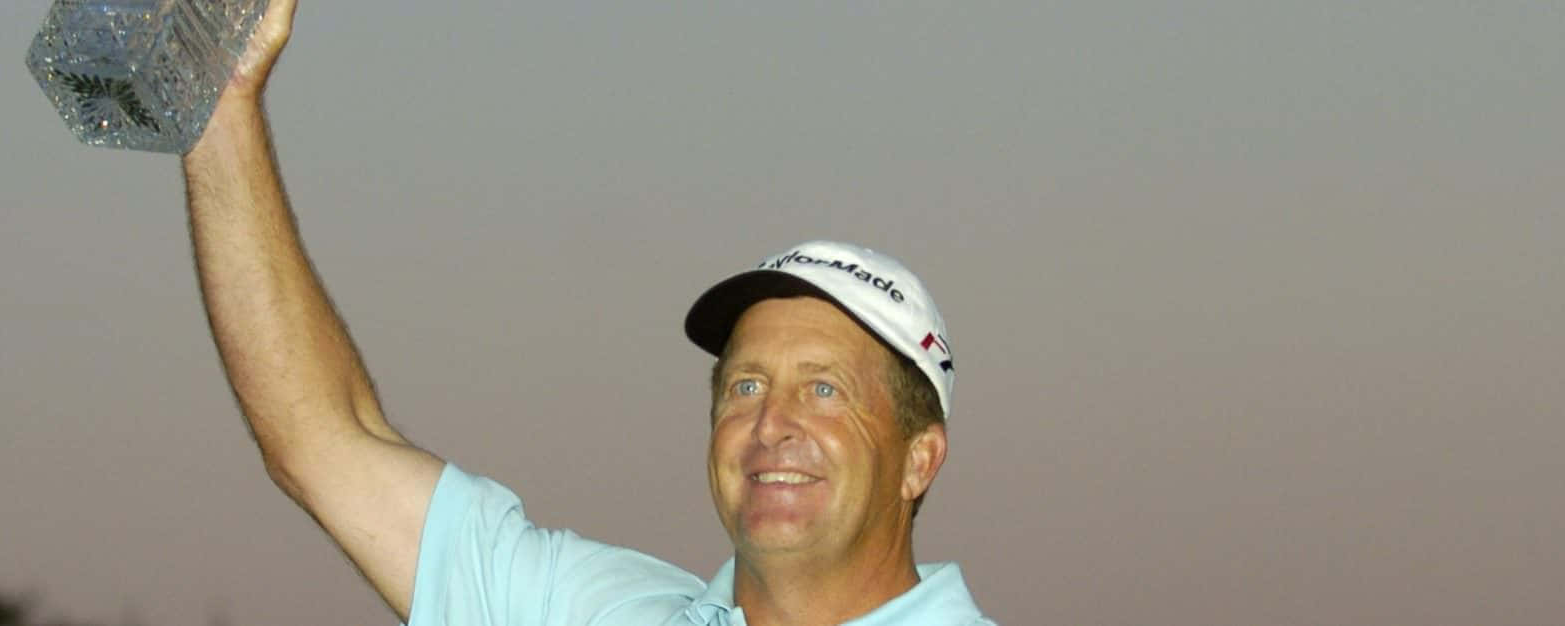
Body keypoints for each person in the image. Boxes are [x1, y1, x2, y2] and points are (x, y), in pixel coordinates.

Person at [180, 2, 992, 624]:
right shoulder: (601, 606)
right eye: (744, 388)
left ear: (920, 459)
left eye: (824, 390)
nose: (771, 424)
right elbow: (324, 442)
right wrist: (221, 108)